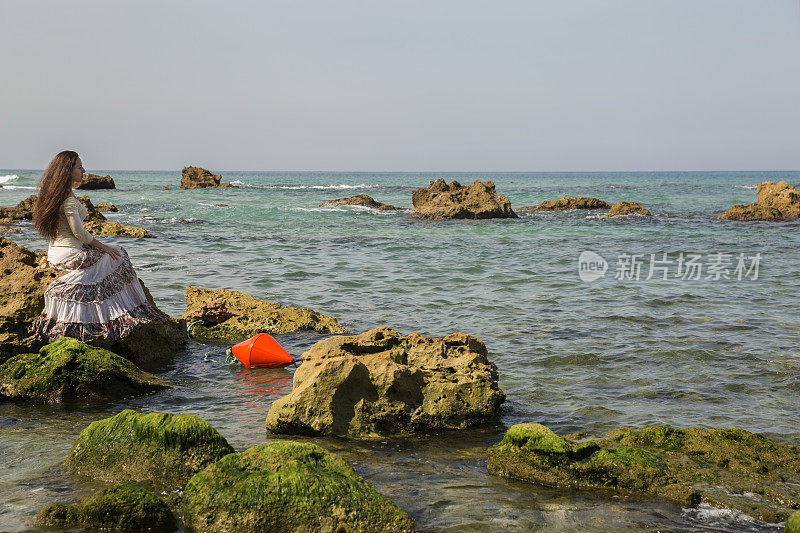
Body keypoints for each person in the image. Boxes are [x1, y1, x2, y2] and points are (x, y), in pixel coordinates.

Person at [31, 150, 161, 343]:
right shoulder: (67, 199)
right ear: (68, 171)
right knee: (119, 253)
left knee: (112, 253)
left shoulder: (55, 194)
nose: (84, 170)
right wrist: (103, 247)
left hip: (55, 253)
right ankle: (128, 311)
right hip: (70, 254)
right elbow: (79, 233)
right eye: (79, 167)